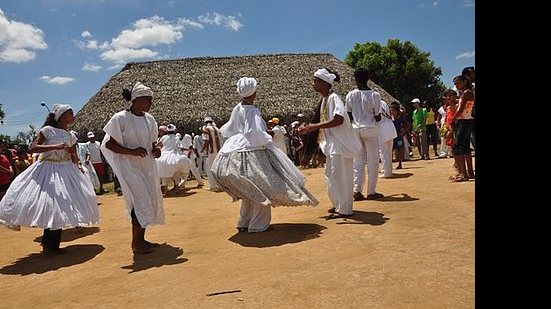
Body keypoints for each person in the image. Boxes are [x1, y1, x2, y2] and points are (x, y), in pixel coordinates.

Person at [211, 77, 318, 233]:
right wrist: (267, 135)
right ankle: (258, 225)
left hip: (234, 149)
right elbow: (254, 133)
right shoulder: (252, 110)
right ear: (253, 92)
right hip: (253, 150)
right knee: (263, 186)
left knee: (249, 189)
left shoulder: (238, 107)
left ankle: (244, 222)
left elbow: (230, 128)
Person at [0, 104, 98, 254]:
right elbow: (33, 148)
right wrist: (55, 147)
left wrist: (76, 162)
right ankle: (48, 244)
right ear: (61, 116)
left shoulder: (71, 135)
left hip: (65, 170)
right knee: (52, 205)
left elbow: (73, 155)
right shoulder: (47, 131)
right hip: (47, 170)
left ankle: (53, 245)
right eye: (70, 113)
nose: (73, 116)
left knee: (62, 206)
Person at [100, 82, 164, 253]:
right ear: (136, 100)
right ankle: (136, 243)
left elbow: (152, 144)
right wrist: (131, 152)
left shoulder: (150, 120)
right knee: (140, 201)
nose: (150, 104)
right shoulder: (120, 118)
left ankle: (141, 240)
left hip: (147, 167)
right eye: (147, 100)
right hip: (129, 167)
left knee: (148, 200)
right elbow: (109, 145)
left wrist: (156, 150)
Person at [298, 68, 361, 217]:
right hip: (332, 145)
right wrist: (309, 128)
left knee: (341, 176)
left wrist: (315, 126)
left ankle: (345, 209)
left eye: (315, 80)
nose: (313, 83)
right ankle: (338, 205)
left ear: (324, 83)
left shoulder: (334, 98)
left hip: (339, 144)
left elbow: (339, 119)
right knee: (332, 176)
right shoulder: (325, 100)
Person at [344, 68, 384, 200]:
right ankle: (371, 192)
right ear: (368, 79)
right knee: (373, 160)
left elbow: (348, 114)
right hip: (370, 129)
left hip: (356, 128)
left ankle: (357, 191)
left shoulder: (350, 95)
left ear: (355, 79)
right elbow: (378, 117)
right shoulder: (375, 95)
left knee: (358, 160)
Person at [450, 76, 475, 182]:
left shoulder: (466, 93)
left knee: (457, 146)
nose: (457, 86)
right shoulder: (467, 93)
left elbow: (461, 109)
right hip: (467, 121)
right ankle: (469, 172)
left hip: (464, 121)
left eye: (458, 83)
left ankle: (463, 174)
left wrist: (453, 119)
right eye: (455, 84)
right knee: (465, 147)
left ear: (464, 82)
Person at [156, 123, 191, 194]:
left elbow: (159, 145)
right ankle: (176, 188)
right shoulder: (176, 138)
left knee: (164, 174)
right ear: (174, 130)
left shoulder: (164, 137)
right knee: (177, 173)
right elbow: (180, 148)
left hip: (163, 158)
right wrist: (187, 150)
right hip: (176, 157)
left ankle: (165, 189)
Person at [201, 116, 222, 191]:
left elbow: (206, 141)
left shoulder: (206, 129)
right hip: (218, 151)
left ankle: (213, 186)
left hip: (211, 151)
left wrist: (202, 150)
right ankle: (219, 185)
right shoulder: (216, 129)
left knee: (209, 168)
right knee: (216, 168)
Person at [378, 100, 397, 179]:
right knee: (389, 152)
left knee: (383, 152)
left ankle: (386, 172)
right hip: (390, 127)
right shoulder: (384, 102)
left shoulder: (375, 103)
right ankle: (388, 170)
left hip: (383, 128)